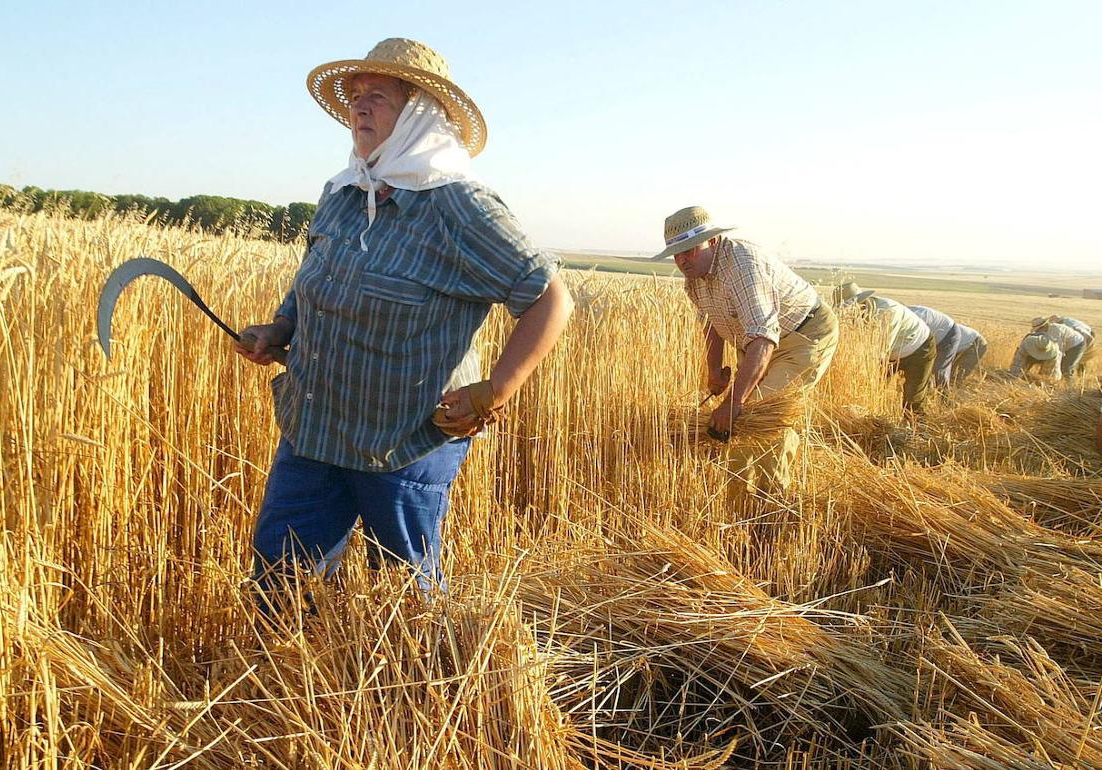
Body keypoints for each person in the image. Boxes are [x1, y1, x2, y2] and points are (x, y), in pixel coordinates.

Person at [236, 38, 573, 597]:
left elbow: (548, 299)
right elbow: (313, 278)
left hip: (404, 439)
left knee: (403, 599)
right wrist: (279, 329)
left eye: (378, 97)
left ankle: (413, 688)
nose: (359, 108)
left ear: (420, 114)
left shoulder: (460, 208)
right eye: (354, 97)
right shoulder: (342, 193)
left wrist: (495, 389)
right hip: (315, 425)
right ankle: (294, 679)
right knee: (280, 580)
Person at [657, 206, 839, 494]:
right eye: (677, 253)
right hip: (754, 344)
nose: (682, 260)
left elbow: (764, 338)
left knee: (757, 419)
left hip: (802, 335)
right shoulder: (694, 277)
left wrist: (734, 402)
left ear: (712, 241)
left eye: (690, 250)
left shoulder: (742, 266)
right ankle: (744, 503)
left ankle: (770, 506)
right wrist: (714, 369)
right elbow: (712, 321)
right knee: (751, 417)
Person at [836, 283, 936, 414]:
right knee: (872, 388)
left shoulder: (887, 312)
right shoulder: (853, 318)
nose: (847, 312)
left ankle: (916, 429)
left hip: (919, 349)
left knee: (913, 397)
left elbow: (879, 352)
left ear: (861, 302)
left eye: (849, 308)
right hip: (891, 354)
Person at [907, 304, 963, 387]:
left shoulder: (914, 319)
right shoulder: (905, 314)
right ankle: (928, 392)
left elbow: (914, 345)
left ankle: (944, 397)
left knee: (938, 370)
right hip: (933, 334)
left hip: (948, 334)